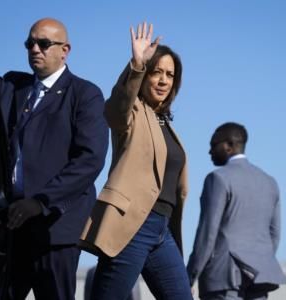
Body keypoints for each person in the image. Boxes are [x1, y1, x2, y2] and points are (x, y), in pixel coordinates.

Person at [0, 3, 109, 300]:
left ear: (65, 50)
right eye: (30, 43)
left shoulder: (84, 94)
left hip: (55, 230)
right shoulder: (13, 85)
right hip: (11, 227)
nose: (35, 49)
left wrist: (41, 202)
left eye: (44, 43)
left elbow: (90, 160)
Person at [78, 22, 193, 300]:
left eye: (170, 75)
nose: (164, 80)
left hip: (162, 230)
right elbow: (116, 108)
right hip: (132, 225)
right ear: (145, 77)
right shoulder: (132, 113)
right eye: (157, 73)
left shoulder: (164, 121)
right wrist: (137, 64)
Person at [187, 122, 286, 300]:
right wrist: (261, 260)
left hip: (223, 278)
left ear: (229, 146)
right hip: (260, 278)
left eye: (213, 145)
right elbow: (275, 233)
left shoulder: (218, 178)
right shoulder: (269, 182)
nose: (210, 151)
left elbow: (207, 234)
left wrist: (189, 277)